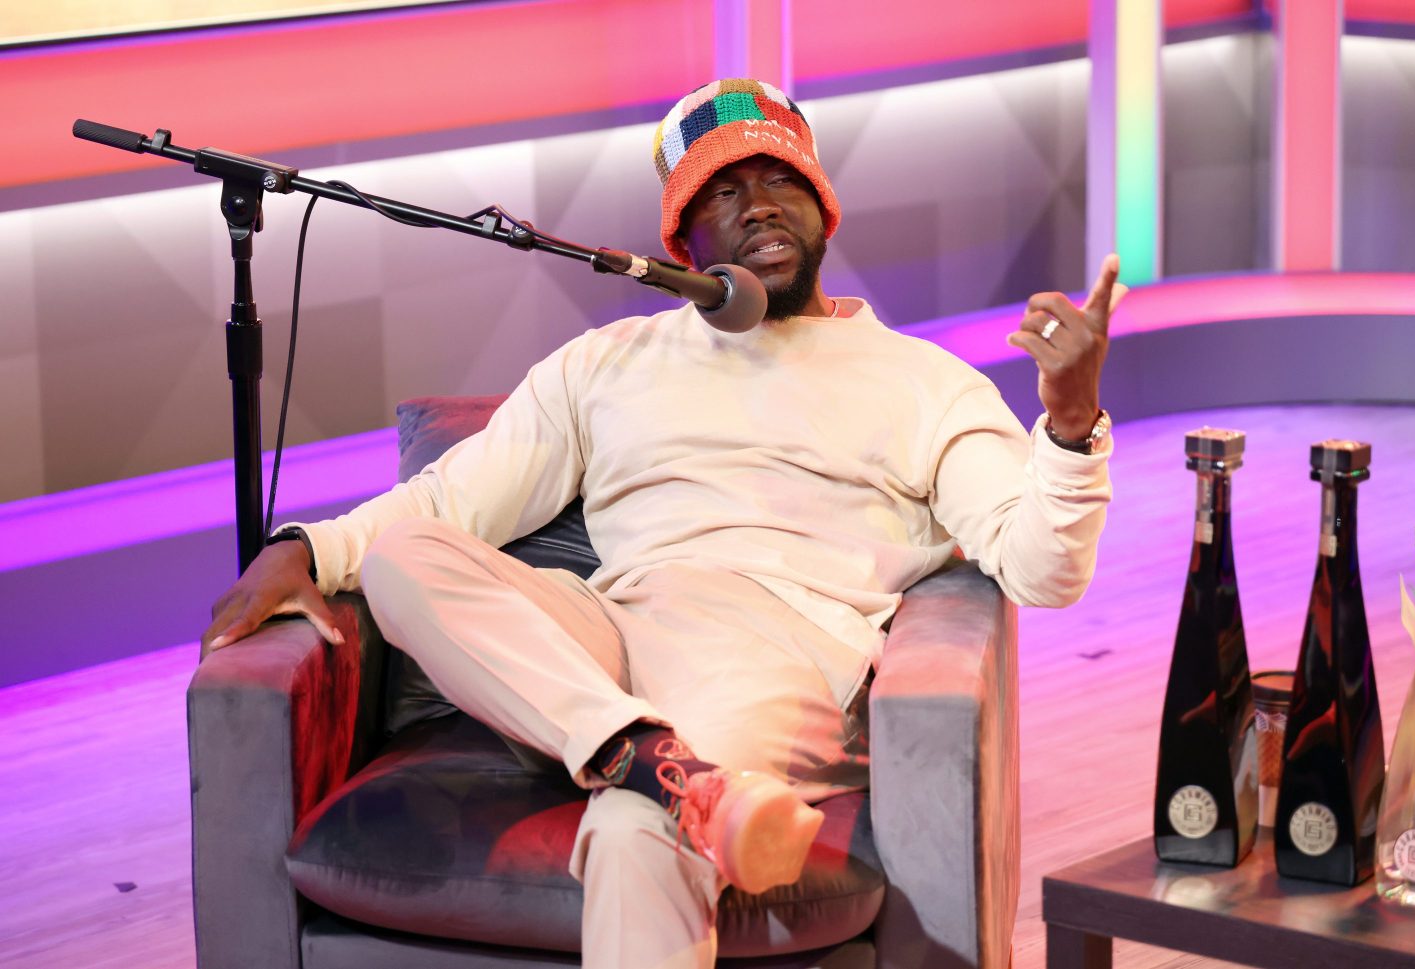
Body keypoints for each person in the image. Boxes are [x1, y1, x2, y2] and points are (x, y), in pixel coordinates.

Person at [203, 77, 1120, 969]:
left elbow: (1040, 569)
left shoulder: (924, 381)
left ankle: (649, 776)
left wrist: (1072, 425)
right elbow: (449, 502)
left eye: (779, 181)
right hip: (607, 633)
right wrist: (305, 547)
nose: (758, 206)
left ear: (822, 209)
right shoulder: (607, 363)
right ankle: (647, 754)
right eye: (724, 192)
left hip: (773, 653)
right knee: (406, 555)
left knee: (640, 827)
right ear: (683, 239)